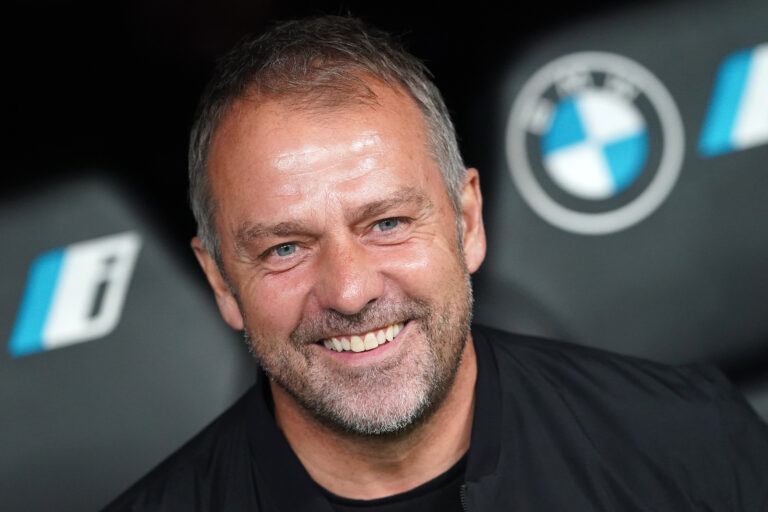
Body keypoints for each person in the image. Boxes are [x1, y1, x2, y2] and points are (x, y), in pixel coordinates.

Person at [104, 15, 768, 511]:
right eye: (286, 247)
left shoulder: (688, 443)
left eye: (387, 223)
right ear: (221, 280)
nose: (351, 290)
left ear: (468, 221)